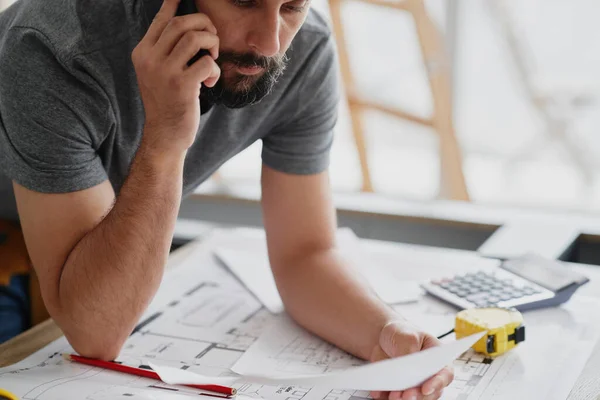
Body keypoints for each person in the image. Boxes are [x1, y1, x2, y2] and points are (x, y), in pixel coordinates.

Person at [0, 0, 453, 398]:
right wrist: (164, 141)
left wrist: (385, 333)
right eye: (244, 0)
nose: (271, 43)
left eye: (292, 5)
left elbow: (305, 253)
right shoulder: (53, 47)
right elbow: (96, 332)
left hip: (83, 262)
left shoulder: (305, 48)